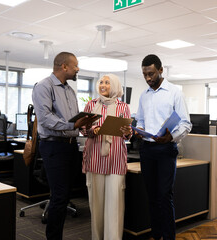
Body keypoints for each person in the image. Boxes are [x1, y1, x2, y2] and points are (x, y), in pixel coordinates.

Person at [32, 52, 98, 240]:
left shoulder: (69, 90)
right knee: (60, 196)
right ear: (64, 67)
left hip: (70, 146)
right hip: (53, 147)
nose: (78, 69)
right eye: (75, 65)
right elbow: (45, 119)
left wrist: (85, 124)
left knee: (65, 196)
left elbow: (73, 120)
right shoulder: (43, 86)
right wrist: (73, 125)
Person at [135, 54, 192, 240]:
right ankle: (156, 235)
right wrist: (140, 129)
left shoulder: (175, 92)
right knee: (151, 196)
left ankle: (168, 237)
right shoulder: (144, 95)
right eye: (145, 75)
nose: (148, 78)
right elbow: (141, 120)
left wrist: (171, 137)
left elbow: (186, 123)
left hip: (166, 150)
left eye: (151, 74)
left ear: (160, 70)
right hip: (147, 149)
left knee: (164, 196)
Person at [82, 74, 132, 240]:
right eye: (101, 82)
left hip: (115, 160)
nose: (103, 85)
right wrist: (92, 130)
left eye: (107, 83)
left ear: (115, 86)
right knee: (96, 204)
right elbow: (83, 129)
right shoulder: (91, 105)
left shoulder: (123, 107)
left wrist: (127, 132)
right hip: (95, 158)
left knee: (114, 204)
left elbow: (127, 135)